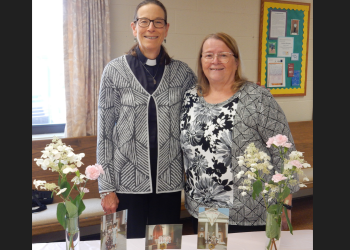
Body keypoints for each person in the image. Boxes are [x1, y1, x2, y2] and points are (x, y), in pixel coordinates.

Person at [179, 32, 298, 234]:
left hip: (251, 211)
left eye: (223, 55)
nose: (215, 61)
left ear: (236, 61)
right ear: (201, 62)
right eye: (208, 55)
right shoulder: (191, 97)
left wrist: (285, 203)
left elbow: (285, 151)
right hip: (206, 209)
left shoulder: (257, 97)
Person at [97, 0, 197, 239]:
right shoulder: (114, 71)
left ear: (166, 28)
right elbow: (104, 133)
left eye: (157, 22)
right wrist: (106, 188)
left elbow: (199, 115)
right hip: (123, 184)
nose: (151, 27)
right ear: (134, 27)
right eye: (144, 21)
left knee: (165, 246)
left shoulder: (183, 74)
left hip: (168, 184)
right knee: (117, 245)